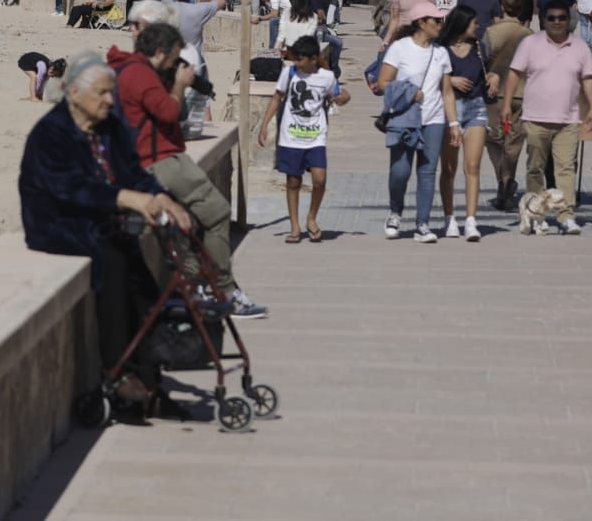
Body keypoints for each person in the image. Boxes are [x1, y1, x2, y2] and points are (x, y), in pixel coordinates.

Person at [19, 53, 192, 415]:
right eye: (101, 94)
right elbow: (68, 188)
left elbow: (133, 172)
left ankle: (148, 380)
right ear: (74, 94)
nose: (110, 101)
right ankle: (117, 373)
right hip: (59, 223)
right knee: (112, 269)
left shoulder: (109, 127)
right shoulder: (51, 133)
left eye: (111, 94)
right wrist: (126, 198)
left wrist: (161, 197)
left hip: (101, 218)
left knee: (146, 289)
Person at [106, 21, 266, 318]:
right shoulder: (140, 74)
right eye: (175, 56)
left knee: (188, 224)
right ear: (160, 52)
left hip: (149, 158)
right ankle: (224, 291)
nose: (178, 63)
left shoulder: (128, 69)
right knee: (217, 213)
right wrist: (179, 83)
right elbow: (169, 112)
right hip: (157, 160)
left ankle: (198, 283)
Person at [501, 0, 592, 235]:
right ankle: (536, 215)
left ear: (569, 20)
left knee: (565, 169)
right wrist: (506, 104)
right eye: (551, 18)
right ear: (543, 20)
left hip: (569, 120)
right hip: (535, 118)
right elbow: (514, 73)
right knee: (535, 168)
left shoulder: (579, 47)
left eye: (561, 18)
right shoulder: (530, 43)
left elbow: (588, 78)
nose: (556, 22)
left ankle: (567, 216)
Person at [376, 0, 460, 243]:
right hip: (405, 118)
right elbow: (383, 83)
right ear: (421, 23)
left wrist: (453, 123)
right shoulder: (400, 48)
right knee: (400, 170)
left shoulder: (441, 52)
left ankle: (422, 224)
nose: (440, 24)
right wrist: (410, 93)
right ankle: (395, 212)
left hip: (433, 119)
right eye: (436, 20)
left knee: (428, 171)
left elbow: (447, 92)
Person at [258, 35, 349, 243]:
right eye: (295, 59)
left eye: (301, 59)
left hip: (316, 136)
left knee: (319, 179)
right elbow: (276, 98)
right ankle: (294, 226)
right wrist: (264, 125)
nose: (297, 63)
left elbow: (342, 96)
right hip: (291, 136)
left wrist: (341, 98)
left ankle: (312, 217)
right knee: (293, 180)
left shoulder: (326, 77)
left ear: (313, 59)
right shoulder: (289, 73)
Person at [436, 6, 499, 240]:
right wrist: (450, 80)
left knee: (472, 166)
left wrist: (495, 77)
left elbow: (490, 72)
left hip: (476, 107)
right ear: (462, 24)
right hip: (449, 110)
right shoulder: (441, 50)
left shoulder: (480, 49)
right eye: (473, 23)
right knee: (449, 169)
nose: (478, 26)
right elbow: (431, 76)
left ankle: (471, 220)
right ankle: (449, 217)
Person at [484, 0, 532, 212]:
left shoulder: (490, 33)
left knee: (494, 139)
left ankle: (502, 180)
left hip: (495, 93)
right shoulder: (529, 35)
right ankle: (507, 179)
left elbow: (482, 62)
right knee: (514, 142)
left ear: (502, 6)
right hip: (522, 94)